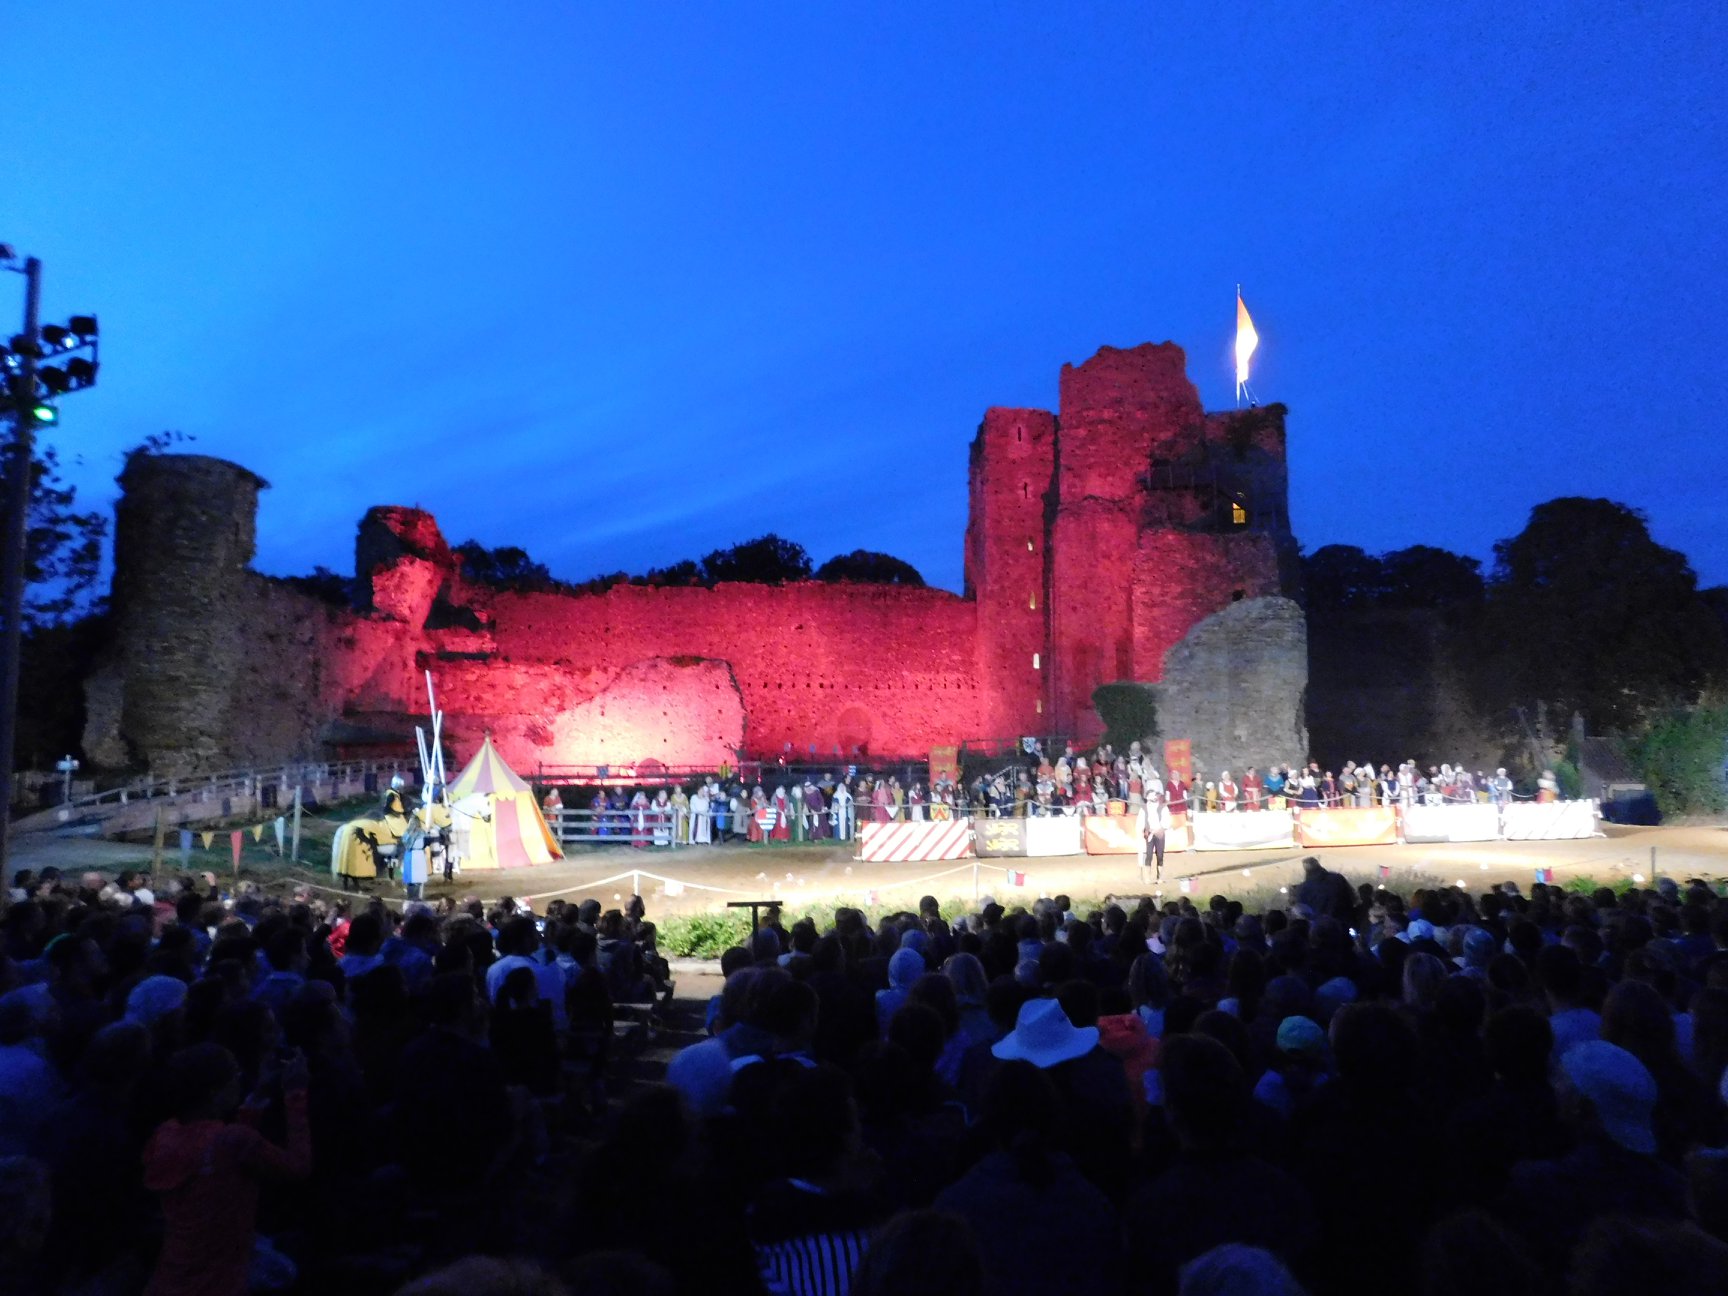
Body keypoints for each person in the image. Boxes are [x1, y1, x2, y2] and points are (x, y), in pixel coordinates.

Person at [142, 1042, 311, 1296]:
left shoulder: (165, 1135)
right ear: (213, 1092)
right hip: (222, 1281)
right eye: (235, 1076)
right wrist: (296, 1095)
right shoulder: (230, 1141)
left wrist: (259, 1094)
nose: (239, 1081)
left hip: (172, 1278)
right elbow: (298, 1167)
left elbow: (225, 1147)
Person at [1139, 792, 1170, 883]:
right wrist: (1144, 831)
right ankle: (1147, 878)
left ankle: (1159, 877)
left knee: (1160, 855)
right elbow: (1141, 821)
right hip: (1149, 833)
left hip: (1159, 832)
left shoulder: (1163, 807)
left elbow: (1167, 822)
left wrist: (1159, 830)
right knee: (1148, 855)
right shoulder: (1144, 808)